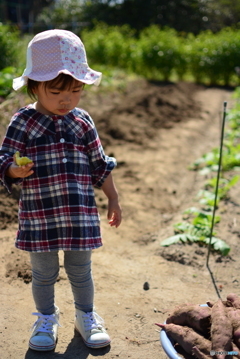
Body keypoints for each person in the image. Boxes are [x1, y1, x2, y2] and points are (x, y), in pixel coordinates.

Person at [0, 29, 122, 352]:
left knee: (81, 271)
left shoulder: (82, 122)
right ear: (34, 86)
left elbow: (100, 164)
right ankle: (45, 318)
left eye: (76, 91)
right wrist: (13, 169)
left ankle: (86, 317)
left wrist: (113, 197)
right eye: (56, 92)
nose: (67, 100)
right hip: (40, 218)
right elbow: (3, 160)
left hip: (79, 217)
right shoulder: (23, 122)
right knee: (43, 274)